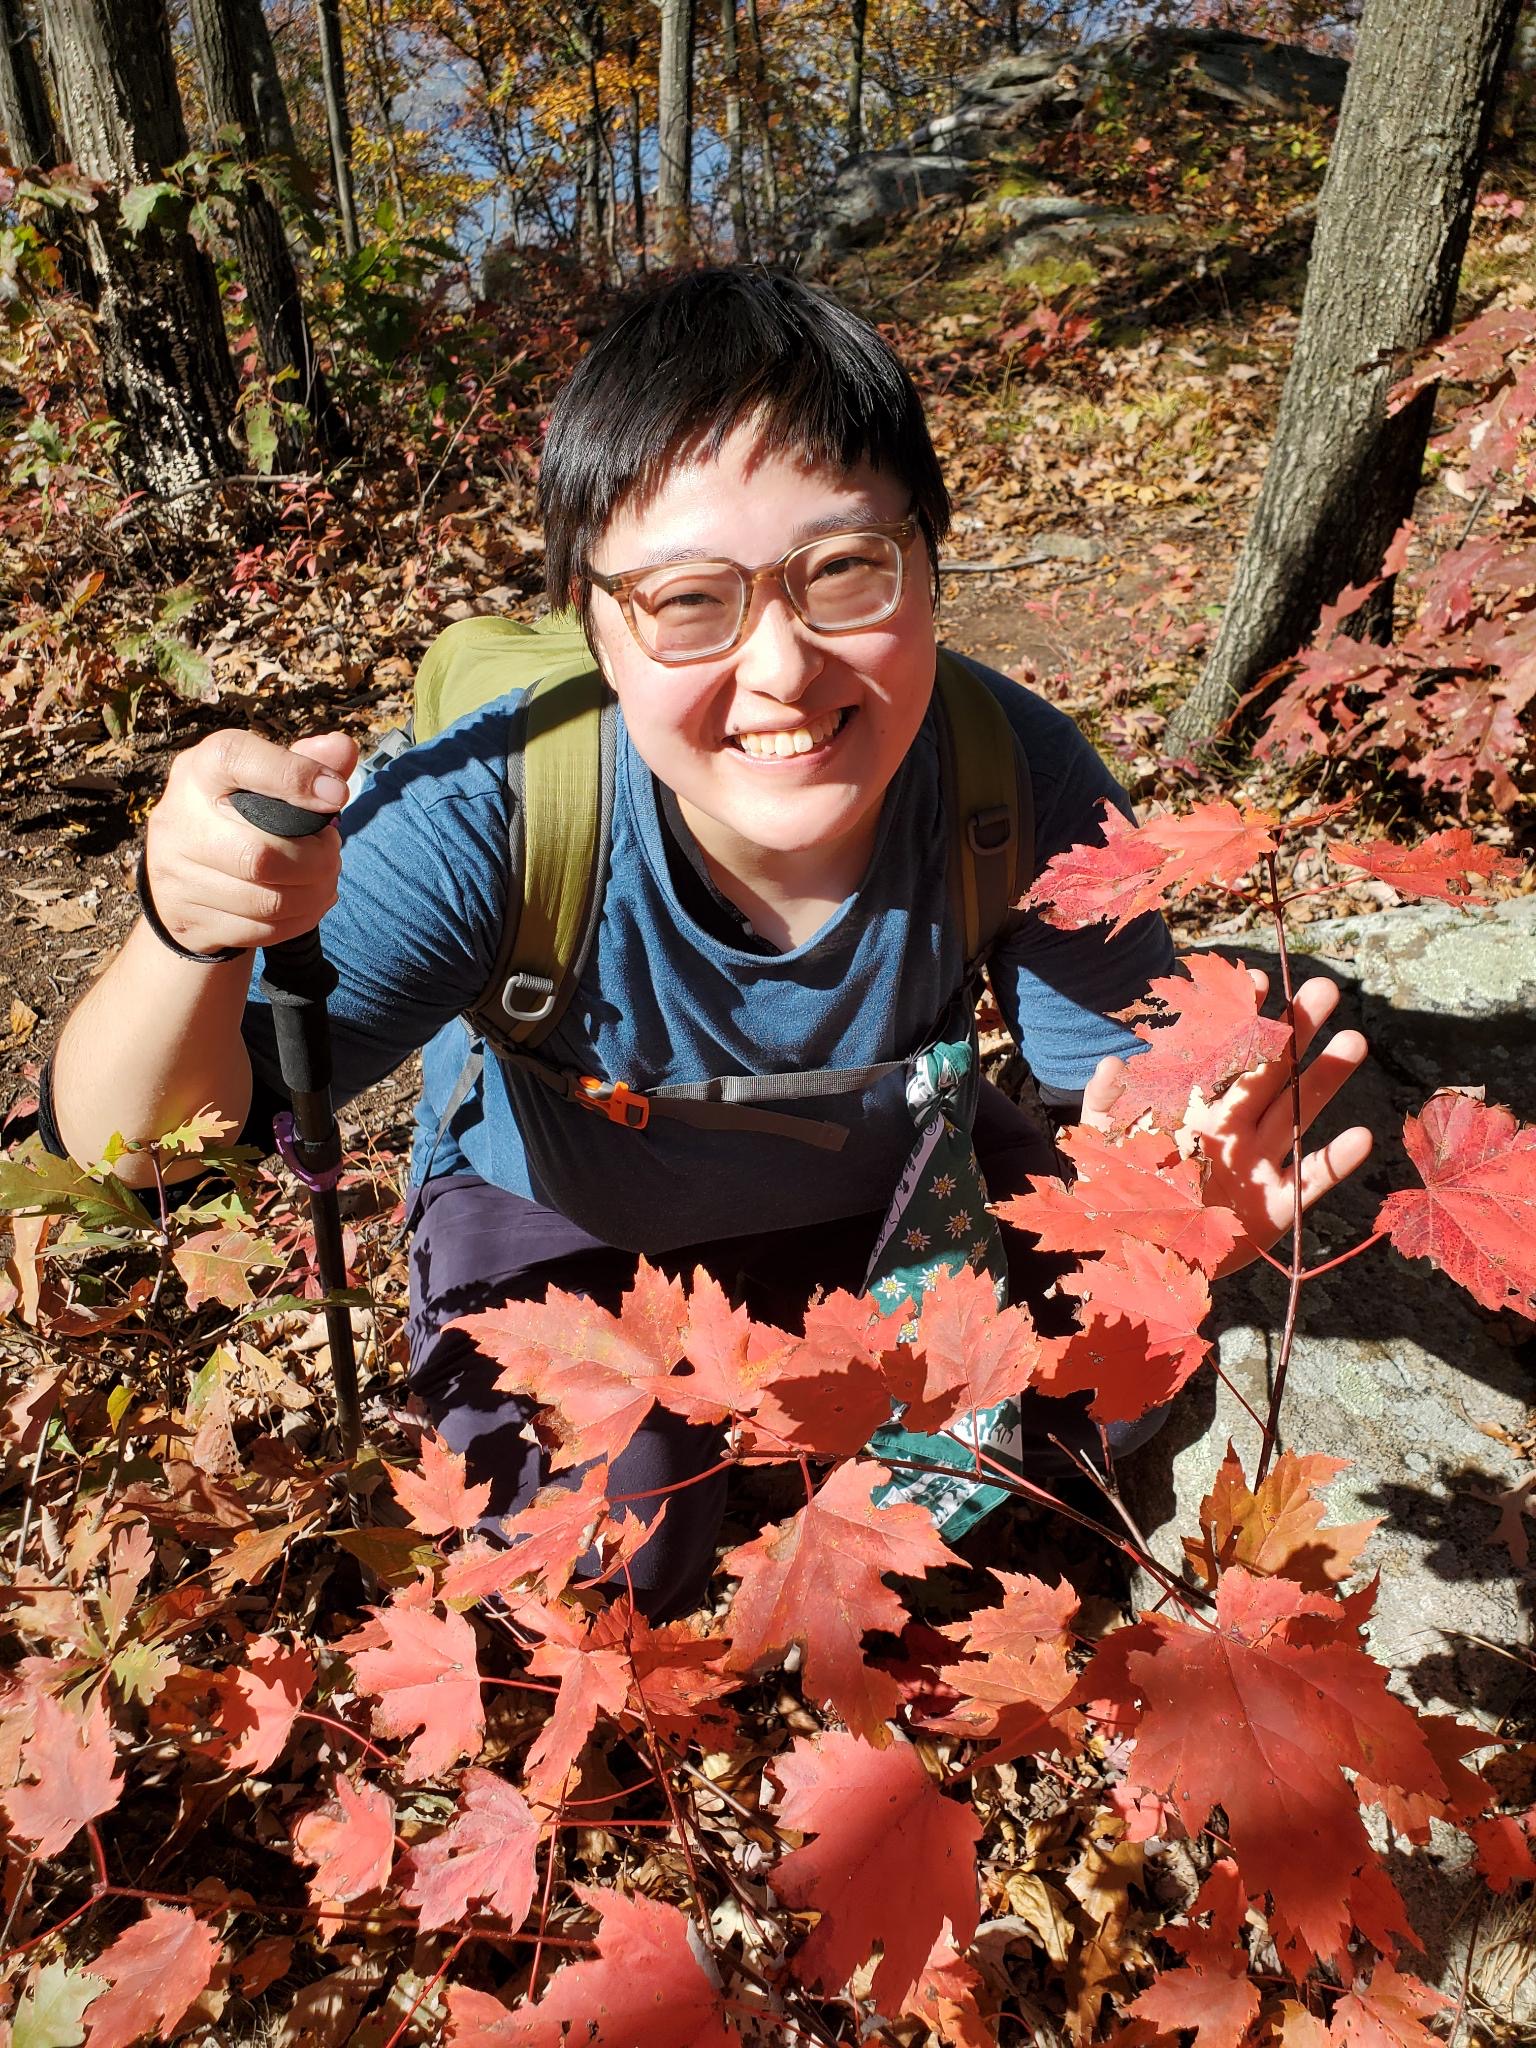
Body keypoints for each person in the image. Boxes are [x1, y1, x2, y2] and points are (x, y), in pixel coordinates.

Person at [46, 267, 1371, 1616]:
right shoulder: (492, 813)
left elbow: (1122, 1121)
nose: (784, 670)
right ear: (597, 628)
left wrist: (1172, 1220)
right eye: (690, 600)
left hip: (886, 1204)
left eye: (845, 569)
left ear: (929, 562)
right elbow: (129, 1156)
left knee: (1061, 1437)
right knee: (603, 1576)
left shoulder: (1011, 777)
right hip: (564, 1228)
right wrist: (183, 929)